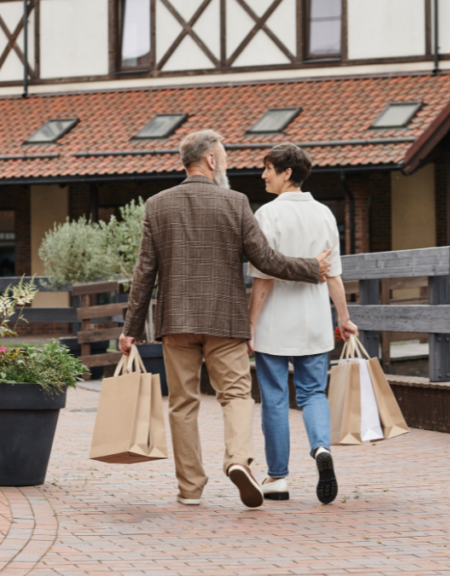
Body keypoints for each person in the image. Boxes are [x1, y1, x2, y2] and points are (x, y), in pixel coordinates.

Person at [118, 130, 333, 509]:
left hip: (177, 322)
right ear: (212, 161)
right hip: (225, 321)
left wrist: (130, 330)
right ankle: (237, 460)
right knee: (235, 395)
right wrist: (311, 268)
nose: (228, 166)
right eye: (226, 159)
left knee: (182, 403)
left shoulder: (157, 205)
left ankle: (190, 489)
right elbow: (265, 260)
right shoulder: (235, 203)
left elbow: (144, 272)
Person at [247, 143, 359, 505]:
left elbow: (263, 278)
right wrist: (343, 318)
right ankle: (322, 449)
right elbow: (334, 276)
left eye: (267, 169)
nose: (263, 175)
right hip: (314, 323)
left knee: (275, 400)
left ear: (286, 173)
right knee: (313, 393)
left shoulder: (267, 214)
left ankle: (277, 478)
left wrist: (250, 325)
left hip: (273, 326)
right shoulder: (325, 213)